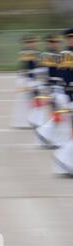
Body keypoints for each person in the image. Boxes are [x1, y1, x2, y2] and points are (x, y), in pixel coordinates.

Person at [35, 35, 70, 148]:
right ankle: (48, 135)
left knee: (59, 115)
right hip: (55, 89)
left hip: (59, 88)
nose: (55, 44)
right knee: (61, 116)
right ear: (48, 43)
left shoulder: (60, 54)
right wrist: (45, 90)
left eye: (56, 42)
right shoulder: (47, 56)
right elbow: (42, 74)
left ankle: (47, 135)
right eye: (52, 42)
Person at [53, 28, 73, 175]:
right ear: (67, 39)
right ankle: (64, 160)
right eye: (70, 38)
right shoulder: (66, 55)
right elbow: (64, 78)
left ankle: (64, 160)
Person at [12, 35, 40, 128]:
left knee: (32, 100)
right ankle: (24, 122)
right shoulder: (25, 53)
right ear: (25, 44)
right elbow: (26, 69)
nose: (31, 44)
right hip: (26, 79)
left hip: (31, 79)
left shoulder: (36, 53)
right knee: (25, 101)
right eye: (29, 42)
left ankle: (31, 120)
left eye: (33, 42)